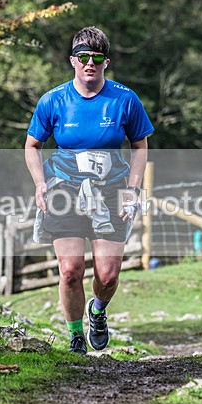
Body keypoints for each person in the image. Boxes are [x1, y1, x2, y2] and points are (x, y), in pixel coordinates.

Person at [24, 26, 154, 355]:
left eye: (97, 58)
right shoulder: (53, 100)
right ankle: (75, 334)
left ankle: (97, 311)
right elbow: (32, 146)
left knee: (107, 274)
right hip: (64, 190)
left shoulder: (125, 99)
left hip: (110, 191)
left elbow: (140, 145)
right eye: (83, 57)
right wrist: (40, 183)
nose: (89, 64)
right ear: (73, 61)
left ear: (105, 62)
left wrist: (132, 189)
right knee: (70, 270)